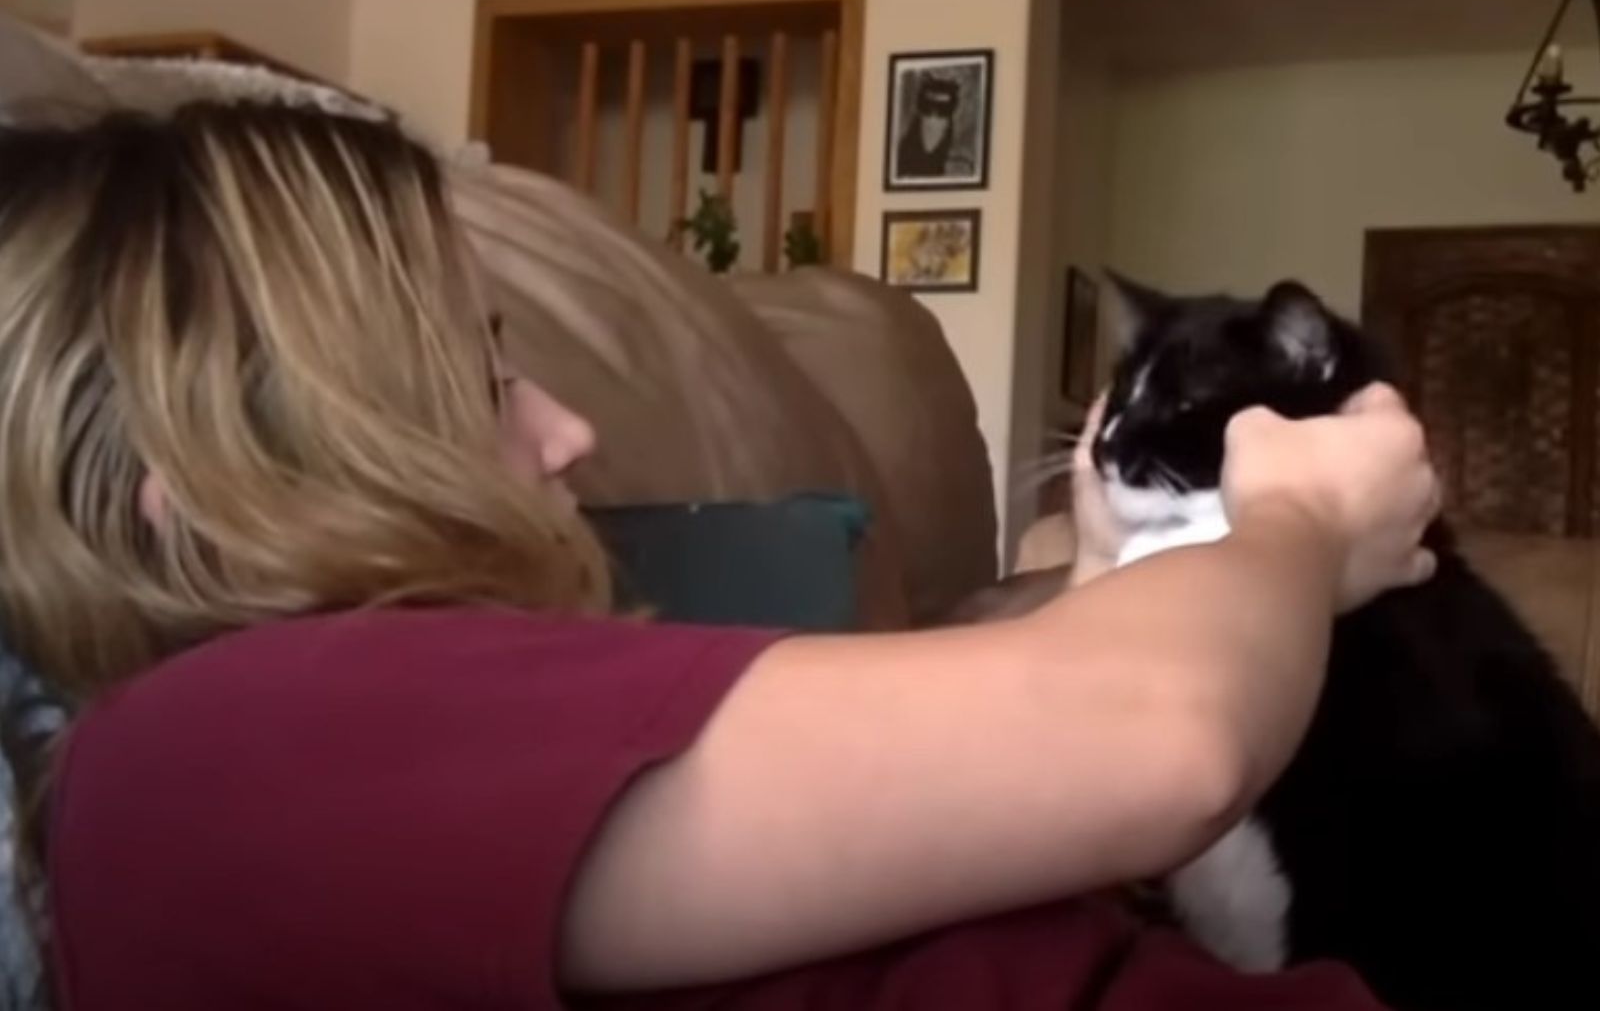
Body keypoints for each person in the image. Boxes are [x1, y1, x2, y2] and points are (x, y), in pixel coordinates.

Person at [0, 102, 1439, 1011]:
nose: (567, 432)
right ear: (193, 479)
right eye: (481, 377)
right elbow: (1155, 744)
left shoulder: (390, 723)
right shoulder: (215, 748)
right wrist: (1301, 525)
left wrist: (1099, 586)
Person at [894, 74, 962, 179]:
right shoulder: (918, 123)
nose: (934, 112)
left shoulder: (947, 125)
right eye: (931, 105)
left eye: (940, 106)